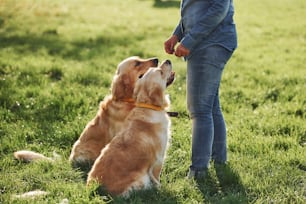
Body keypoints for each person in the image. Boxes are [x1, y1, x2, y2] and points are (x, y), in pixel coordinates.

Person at [164, 0, 237, 179]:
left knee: (199, 109)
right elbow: (196, 10)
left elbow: (219, 9)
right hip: (208, 42)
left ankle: (198, 171)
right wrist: (177, 34)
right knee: (210, 106)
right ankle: (219, 159)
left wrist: (189, 41)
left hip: (210, 43)